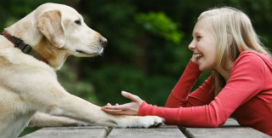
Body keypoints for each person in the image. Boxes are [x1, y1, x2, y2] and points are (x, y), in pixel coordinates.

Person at [101, 7, 272, 136]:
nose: (191, 45)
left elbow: (213, 116)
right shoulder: (220, 77)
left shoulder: (251, 63)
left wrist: (146, 110)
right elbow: (174, 110)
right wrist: (193, 67)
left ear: (226, 40)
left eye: (199, 38)